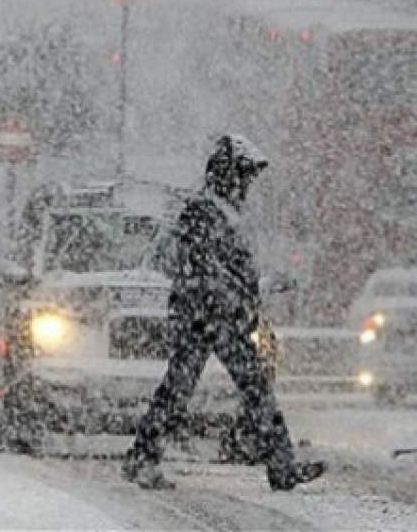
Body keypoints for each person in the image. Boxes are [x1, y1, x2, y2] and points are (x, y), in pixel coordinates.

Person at [122, 134, 324, 490]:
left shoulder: (219, 213)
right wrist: (233, 301)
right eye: (245, 177)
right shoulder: (203, 213)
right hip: (210, 317)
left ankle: (144, 456)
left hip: (211, 315)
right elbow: (207, 270)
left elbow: (225, 272)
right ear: (229, 176)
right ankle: (280, 465)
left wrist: (258, 287)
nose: (248, 185)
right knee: (247, 387)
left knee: (189, 388)